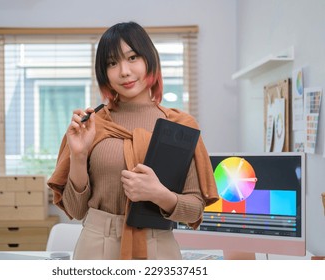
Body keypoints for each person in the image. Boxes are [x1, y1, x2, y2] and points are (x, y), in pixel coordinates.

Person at [47, 21, 218, 260]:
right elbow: (75, 211)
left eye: (132, 57)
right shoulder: (90, 125)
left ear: (150, 59)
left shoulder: (180, 126)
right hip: (97, 246)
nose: (124, 71)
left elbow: (194, 210)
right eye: (112, 63)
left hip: (159, 247)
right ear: (104, 73)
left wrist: (158, 193)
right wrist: (78, 155)